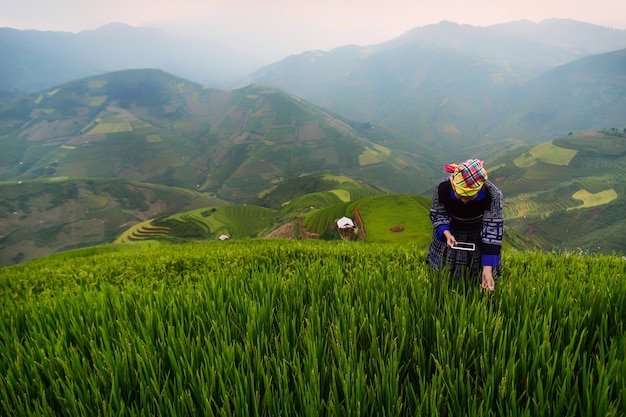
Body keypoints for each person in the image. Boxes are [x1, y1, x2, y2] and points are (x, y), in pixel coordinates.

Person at [425, 159, 504, 291]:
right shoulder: (443, 188)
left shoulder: (492, 195)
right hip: (451, 230)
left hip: (477, 233)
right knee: (443, 273)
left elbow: (493, 230)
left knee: (475, 275)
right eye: (460, 196)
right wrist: (446, 232)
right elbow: (438, 212)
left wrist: (487, 268)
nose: (464, 201)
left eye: (469, 197)